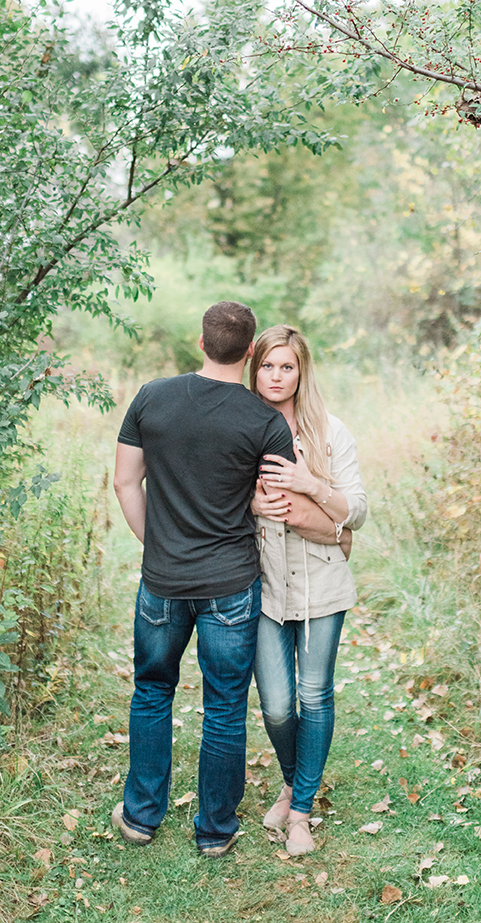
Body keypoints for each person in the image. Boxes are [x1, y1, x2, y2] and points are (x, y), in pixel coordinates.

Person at [111, 301, 296, 857]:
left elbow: (124, 483)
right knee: (223, 706)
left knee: (151, 692)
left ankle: (141, 817)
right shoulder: (265, 422)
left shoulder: (150, 397)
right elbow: (277, 502)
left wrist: (159, 545)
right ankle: (214, 830)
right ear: (248, 354)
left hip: (163, 581)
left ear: (200, 343)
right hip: (230, 586)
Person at [249, 325, 367, 857]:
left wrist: (310, 485)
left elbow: (356, 512)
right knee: (275, 704)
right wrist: (252, 505)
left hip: (322, 582)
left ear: (301, 372)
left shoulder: (329, 431)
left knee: (314, 694)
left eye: (287, 367)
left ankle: (300, 810)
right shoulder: (239, 426)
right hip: (263, 584)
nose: (277, 377)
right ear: (255, 370)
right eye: (268, 366)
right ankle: (295, 780)